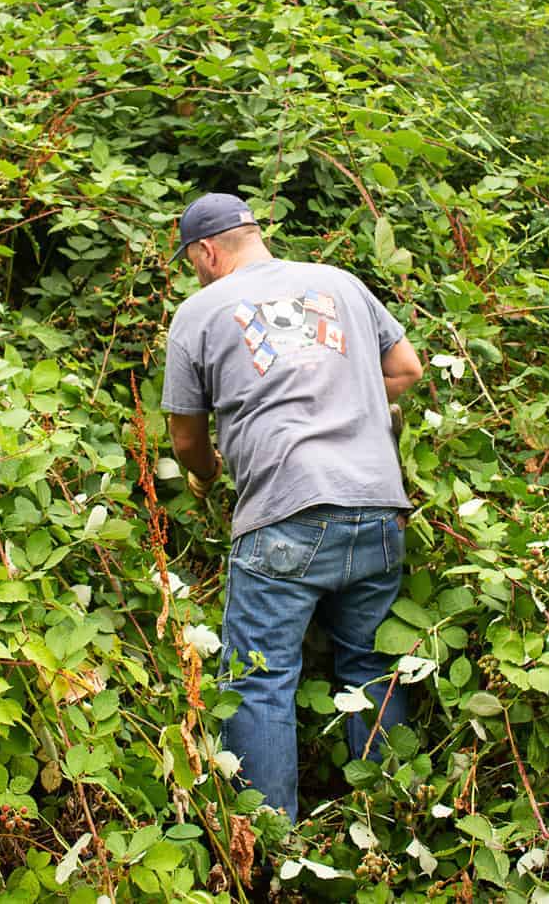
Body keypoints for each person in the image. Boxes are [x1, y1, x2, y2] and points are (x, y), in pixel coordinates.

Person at [161, 192, 423, 821]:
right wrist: (350, 391)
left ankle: (271, 846)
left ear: (205, 250)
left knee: (258, 679)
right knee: (372, 664)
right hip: (379, 506)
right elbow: (407, 369)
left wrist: (207, 475)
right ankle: (388, 823)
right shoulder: (340, 283)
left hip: (285, 512)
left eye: (191, 260)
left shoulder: (199, 312)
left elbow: (185, 437)